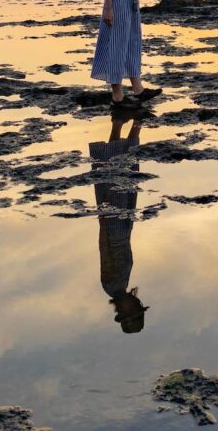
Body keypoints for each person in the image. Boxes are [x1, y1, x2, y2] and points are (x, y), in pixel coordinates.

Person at [89, 106, 150, 333]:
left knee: (114, 175)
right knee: (124, 175)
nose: (137, 303)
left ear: (122, 311)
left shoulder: (112, 286)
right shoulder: (120, 286)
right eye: (138, 307)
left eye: (133, 309)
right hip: (122, 229)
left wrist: (105, 221)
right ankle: (135, 123)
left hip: (114, 228)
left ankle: (123, 123)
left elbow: (105, 249)